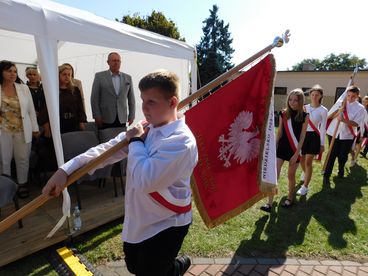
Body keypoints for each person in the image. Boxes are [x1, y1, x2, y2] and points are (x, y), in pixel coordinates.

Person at [42, 70, 197, 276]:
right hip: (139, 218)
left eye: (151, 101)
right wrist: (66, 170)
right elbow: (106, 151)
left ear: (172, 102)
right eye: (142, 100)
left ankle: (176, 266)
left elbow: (145, 180)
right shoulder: (145, 128)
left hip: (167, 221)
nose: (144, 108)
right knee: (134, 266)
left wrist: (134, 141)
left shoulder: (181, 141)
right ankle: (174, 268)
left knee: (148, 272)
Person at [260, 89, 308, 212]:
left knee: (291, 176)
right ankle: (269, 203)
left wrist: (297, 153)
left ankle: (290, 198)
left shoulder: (305, 116)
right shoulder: (283, 113)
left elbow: (303, 136)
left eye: (296, 100)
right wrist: (274, 148)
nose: (292, 102)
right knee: (274, 174)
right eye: (290, 99)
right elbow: (280, 131)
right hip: (281, 147)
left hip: (295, 149)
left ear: (300, 101)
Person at [0, 60, 40, 198]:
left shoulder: (23, 88)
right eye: (9, 71)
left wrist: (35, 128)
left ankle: (22, 184)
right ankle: (6, 187)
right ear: (1, 72)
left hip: (22, 129)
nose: (12, 74)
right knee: (4, 159)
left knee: (23, 158)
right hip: (3, 130)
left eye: (14, 71)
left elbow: (30, 110)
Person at [323, 86, 366, 184]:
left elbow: (356, 123)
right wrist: (338, 112)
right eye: (349, 95)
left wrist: (343, 120)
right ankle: (326, 175)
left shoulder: (360, 108)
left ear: (357, 96)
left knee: (342, 155)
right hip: (333, 133)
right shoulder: (340, 103)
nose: (350, 98)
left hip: (347, 135)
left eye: (353, 96)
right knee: (331, 154)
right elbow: (329, 117)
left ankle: (341, 170)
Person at [91, 52, 135, 129]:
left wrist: (132, 115)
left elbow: (131, 99)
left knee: (121, 140)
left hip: (121, 118)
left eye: (118, 61)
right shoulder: (99, 76)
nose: (116, 63)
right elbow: (94, 98)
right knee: (105, 139)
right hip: (105, 118)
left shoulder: (128, 78)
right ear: (108, 62)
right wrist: (96, 116)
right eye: (114, 60)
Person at [40, 64, 87, 136]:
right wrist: (47, 129)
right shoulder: (51, 90)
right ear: (58, 75)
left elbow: (80, 108)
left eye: (69, 75)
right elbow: (44, 111)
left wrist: (81, 123)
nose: (67, 77)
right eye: (64, 74)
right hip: (58, 125)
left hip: (73, 123)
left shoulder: (75, 90)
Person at [297, 85, 328, 196]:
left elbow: (323, 128)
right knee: (301, 159)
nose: (314, 96)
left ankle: (305, 187)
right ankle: (306, 174)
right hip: (303, 136)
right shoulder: (304, 107)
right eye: (313, 94)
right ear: (310, 95)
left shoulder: (323, 110)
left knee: (308, 162)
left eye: (317, 95)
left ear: (321, 96)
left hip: (314, 137)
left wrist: (322, 144)